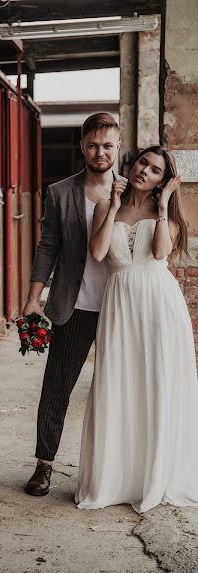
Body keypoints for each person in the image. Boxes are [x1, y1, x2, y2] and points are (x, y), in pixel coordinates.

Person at [76, 145, 198, 513]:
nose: (146, 171)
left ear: (163, 180)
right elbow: (97, 253)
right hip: (119, 303)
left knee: (157, 382)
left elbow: (160, 254)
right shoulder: (104, 206)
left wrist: (162, 208)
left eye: (156, 170)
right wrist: (113, 209)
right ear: (133, 164)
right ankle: (118, 478)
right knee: (119, 382)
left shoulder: (169, 215)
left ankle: (155, 474)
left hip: (159, 304)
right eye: (144, 163)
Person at [23, 112, 126, 496]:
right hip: (75, 304)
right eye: (94, 145)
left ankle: (119, 471)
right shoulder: (60, 191)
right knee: (57, 388)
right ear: (82, 146)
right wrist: (34, 296)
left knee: (121, 388)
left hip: (122, 307)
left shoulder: (132, 192)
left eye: (108, 145)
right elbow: (47, 246)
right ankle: (44, 466)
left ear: (119, 146)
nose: (101, 152)